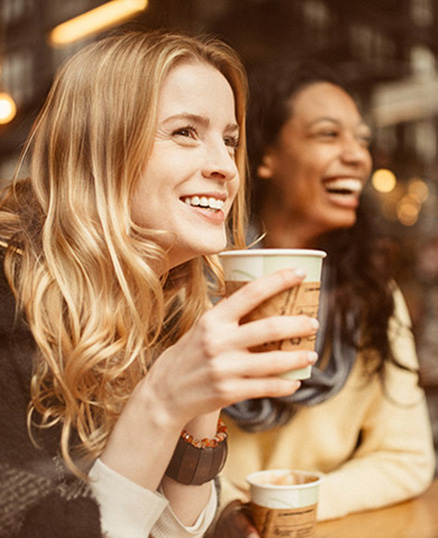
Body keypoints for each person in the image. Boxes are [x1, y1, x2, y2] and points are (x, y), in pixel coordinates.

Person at [0, 33, 321, 538]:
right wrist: (164, 399)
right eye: (185, 133)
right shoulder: (12, 301)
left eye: (230, 139)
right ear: (101, 150)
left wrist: (202, 404)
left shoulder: (164, 299)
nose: (225, 167)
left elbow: (172, 532)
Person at [211, 60, 436, 536]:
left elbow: (408, 457)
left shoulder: (374, 296)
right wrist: (218, 510)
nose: (358, 155)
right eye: (328, 134)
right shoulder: (196, 282)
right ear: (266, 155)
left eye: (361, 139)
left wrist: (281, 506)